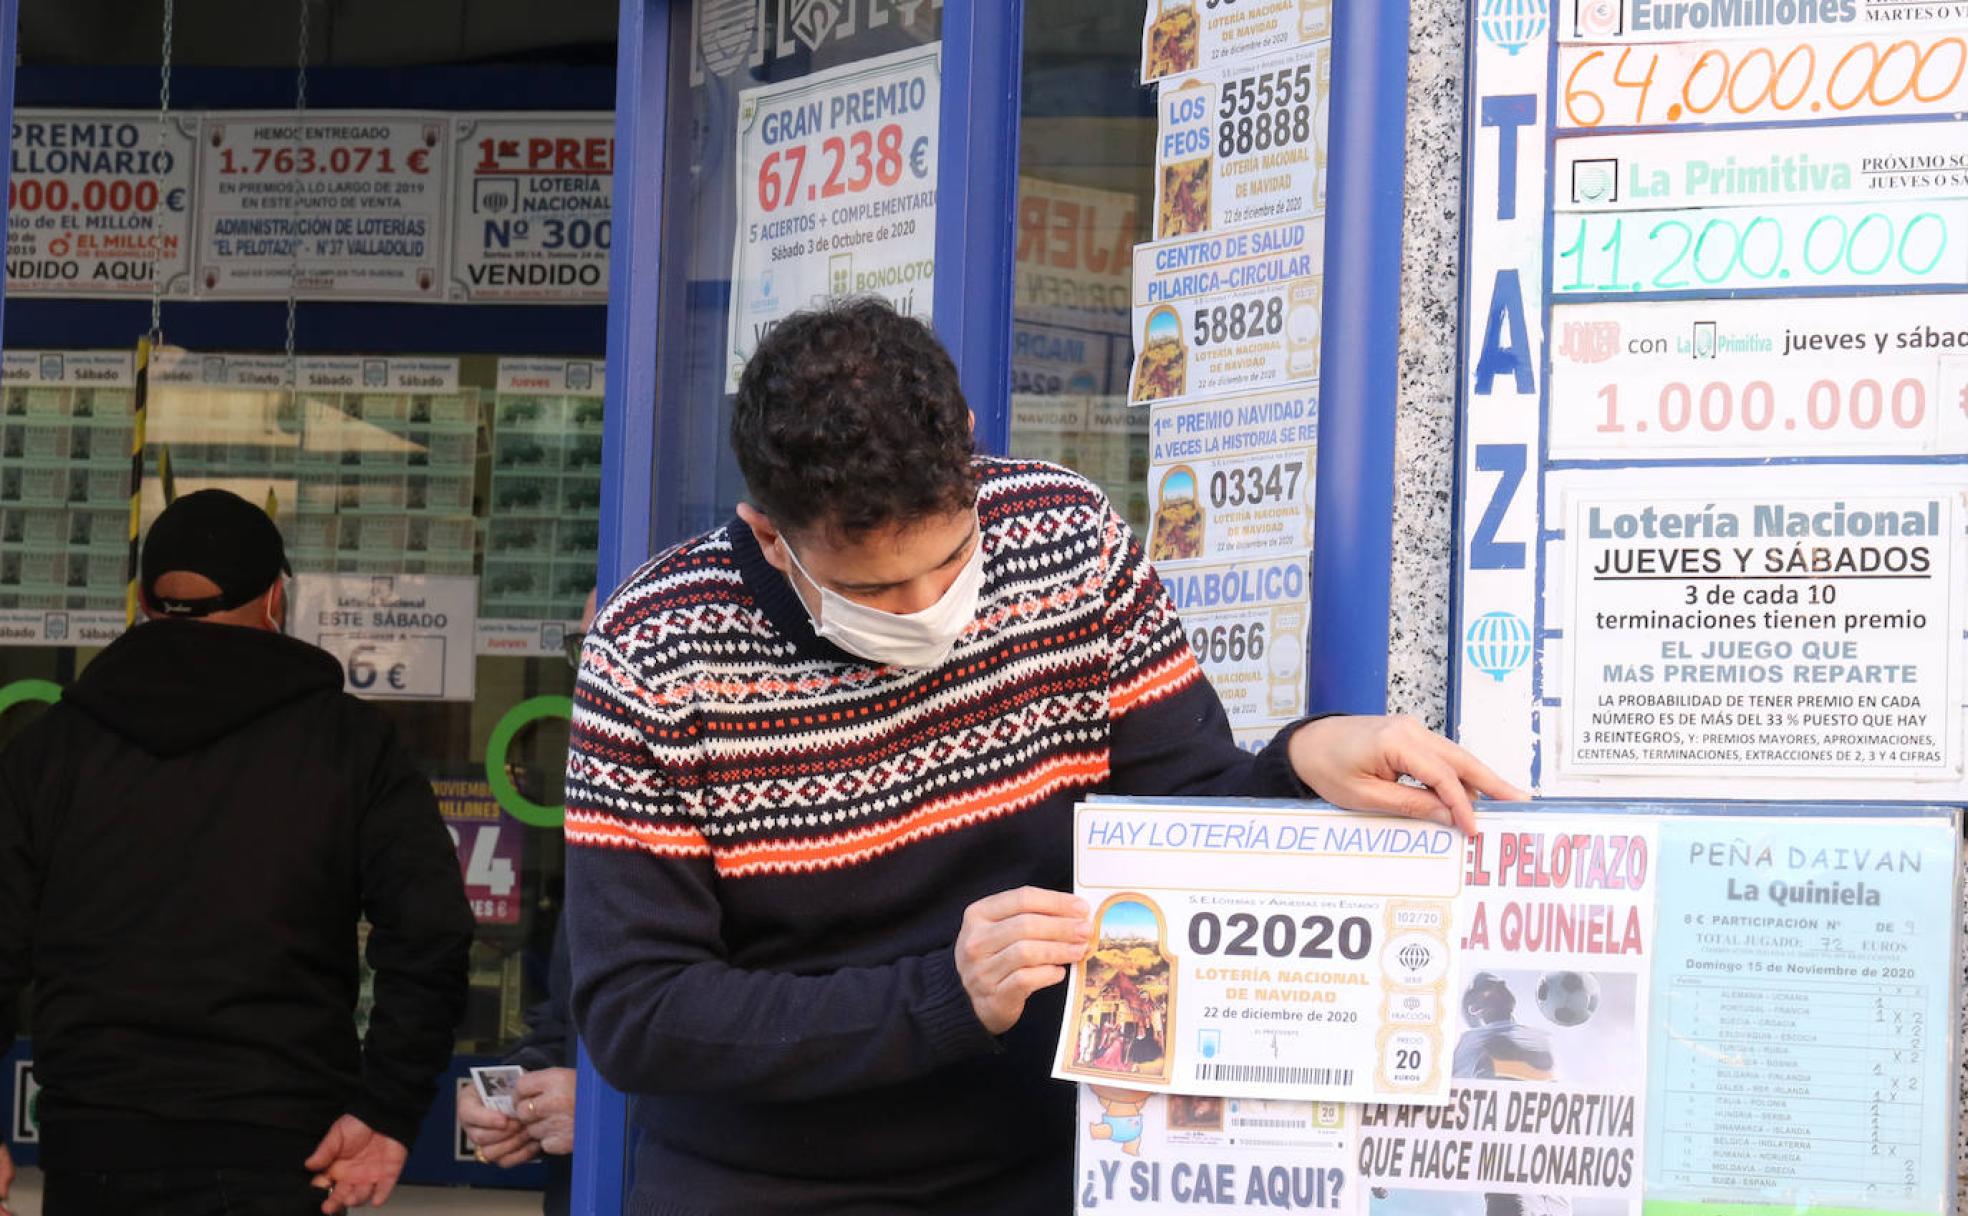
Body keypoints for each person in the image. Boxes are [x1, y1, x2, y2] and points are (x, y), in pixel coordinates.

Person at [564, 299, 1524, 1211]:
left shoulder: (1067, 537)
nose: (924, 607)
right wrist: (943, 995)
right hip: (768, 1184)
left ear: (970, 452)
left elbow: (1178, 810)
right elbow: (641, 1012)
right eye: (876, 588)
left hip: (1059, 1165)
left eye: (948, 562)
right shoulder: (654, 650)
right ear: (771, 535)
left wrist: (1305, 759)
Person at [0, 489, 474, 1216]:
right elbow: (430, 933)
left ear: (146, 602)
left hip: (91, 1149)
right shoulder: (349, 745)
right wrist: (387, 1108)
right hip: (285, 1151)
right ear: (276, 599)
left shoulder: (51, 750)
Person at [458, 589, 598, 1216]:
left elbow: (782, 1051)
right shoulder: (605, 818)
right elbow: (570, 1022)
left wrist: (595, 1110)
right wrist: (515, 1093)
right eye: (584, 649)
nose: (596, 669)